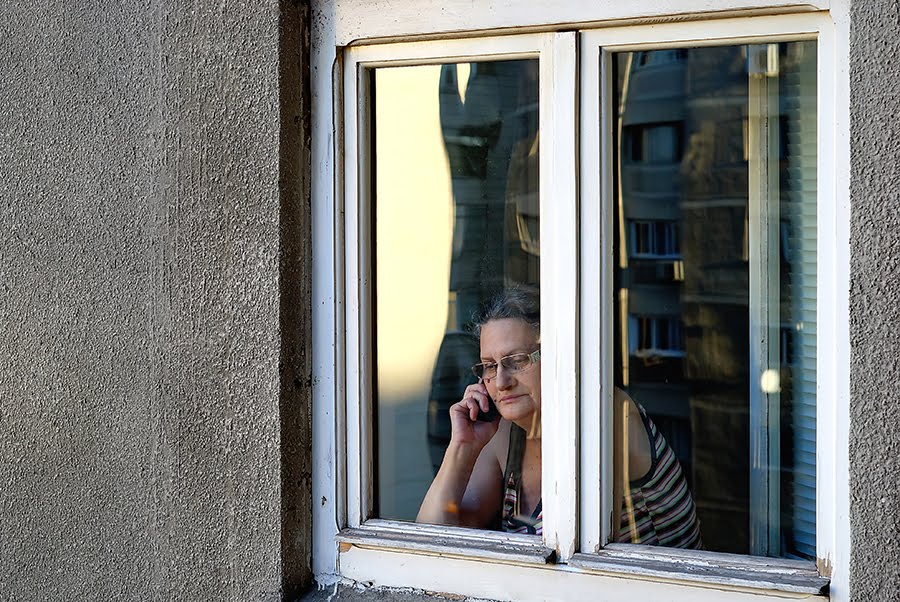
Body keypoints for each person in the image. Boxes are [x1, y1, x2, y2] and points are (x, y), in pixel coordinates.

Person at [417, 287, 702, 548]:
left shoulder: (604, 410)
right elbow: (433, 540)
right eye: (490, 366)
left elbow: (582, 563)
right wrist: (463, 447)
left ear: (557, 356)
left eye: (517, 361)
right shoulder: (505, 434)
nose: (501, 382)